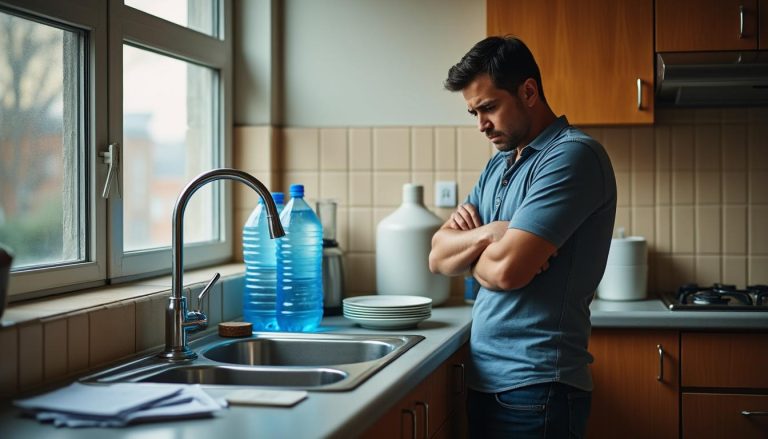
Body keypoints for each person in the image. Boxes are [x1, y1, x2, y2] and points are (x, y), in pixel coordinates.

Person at [429, 36, 617, 438]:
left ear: (528, 91)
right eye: (473, 113)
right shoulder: (497, 165)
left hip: (538, 390)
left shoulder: (572, 156)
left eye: (489, 107)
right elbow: (438, 257)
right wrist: (492, 234)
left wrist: (474, 252)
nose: (481, 125)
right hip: (488, 382)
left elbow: (509, 271)